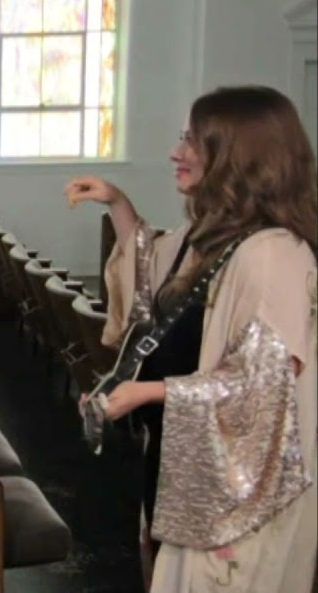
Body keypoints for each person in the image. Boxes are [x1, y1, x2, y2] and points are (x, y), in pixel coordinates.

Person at [65, 85, 316, 593]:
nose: (177, 153)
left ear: (238, 158)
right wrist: (117, 203)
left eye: (196, 142)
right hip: (184, 457)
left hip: (239, 493)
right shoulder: (212, 233)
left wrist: (153, 393)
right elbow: (158, 294)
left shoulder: (274, 255)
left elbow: (267, 385)